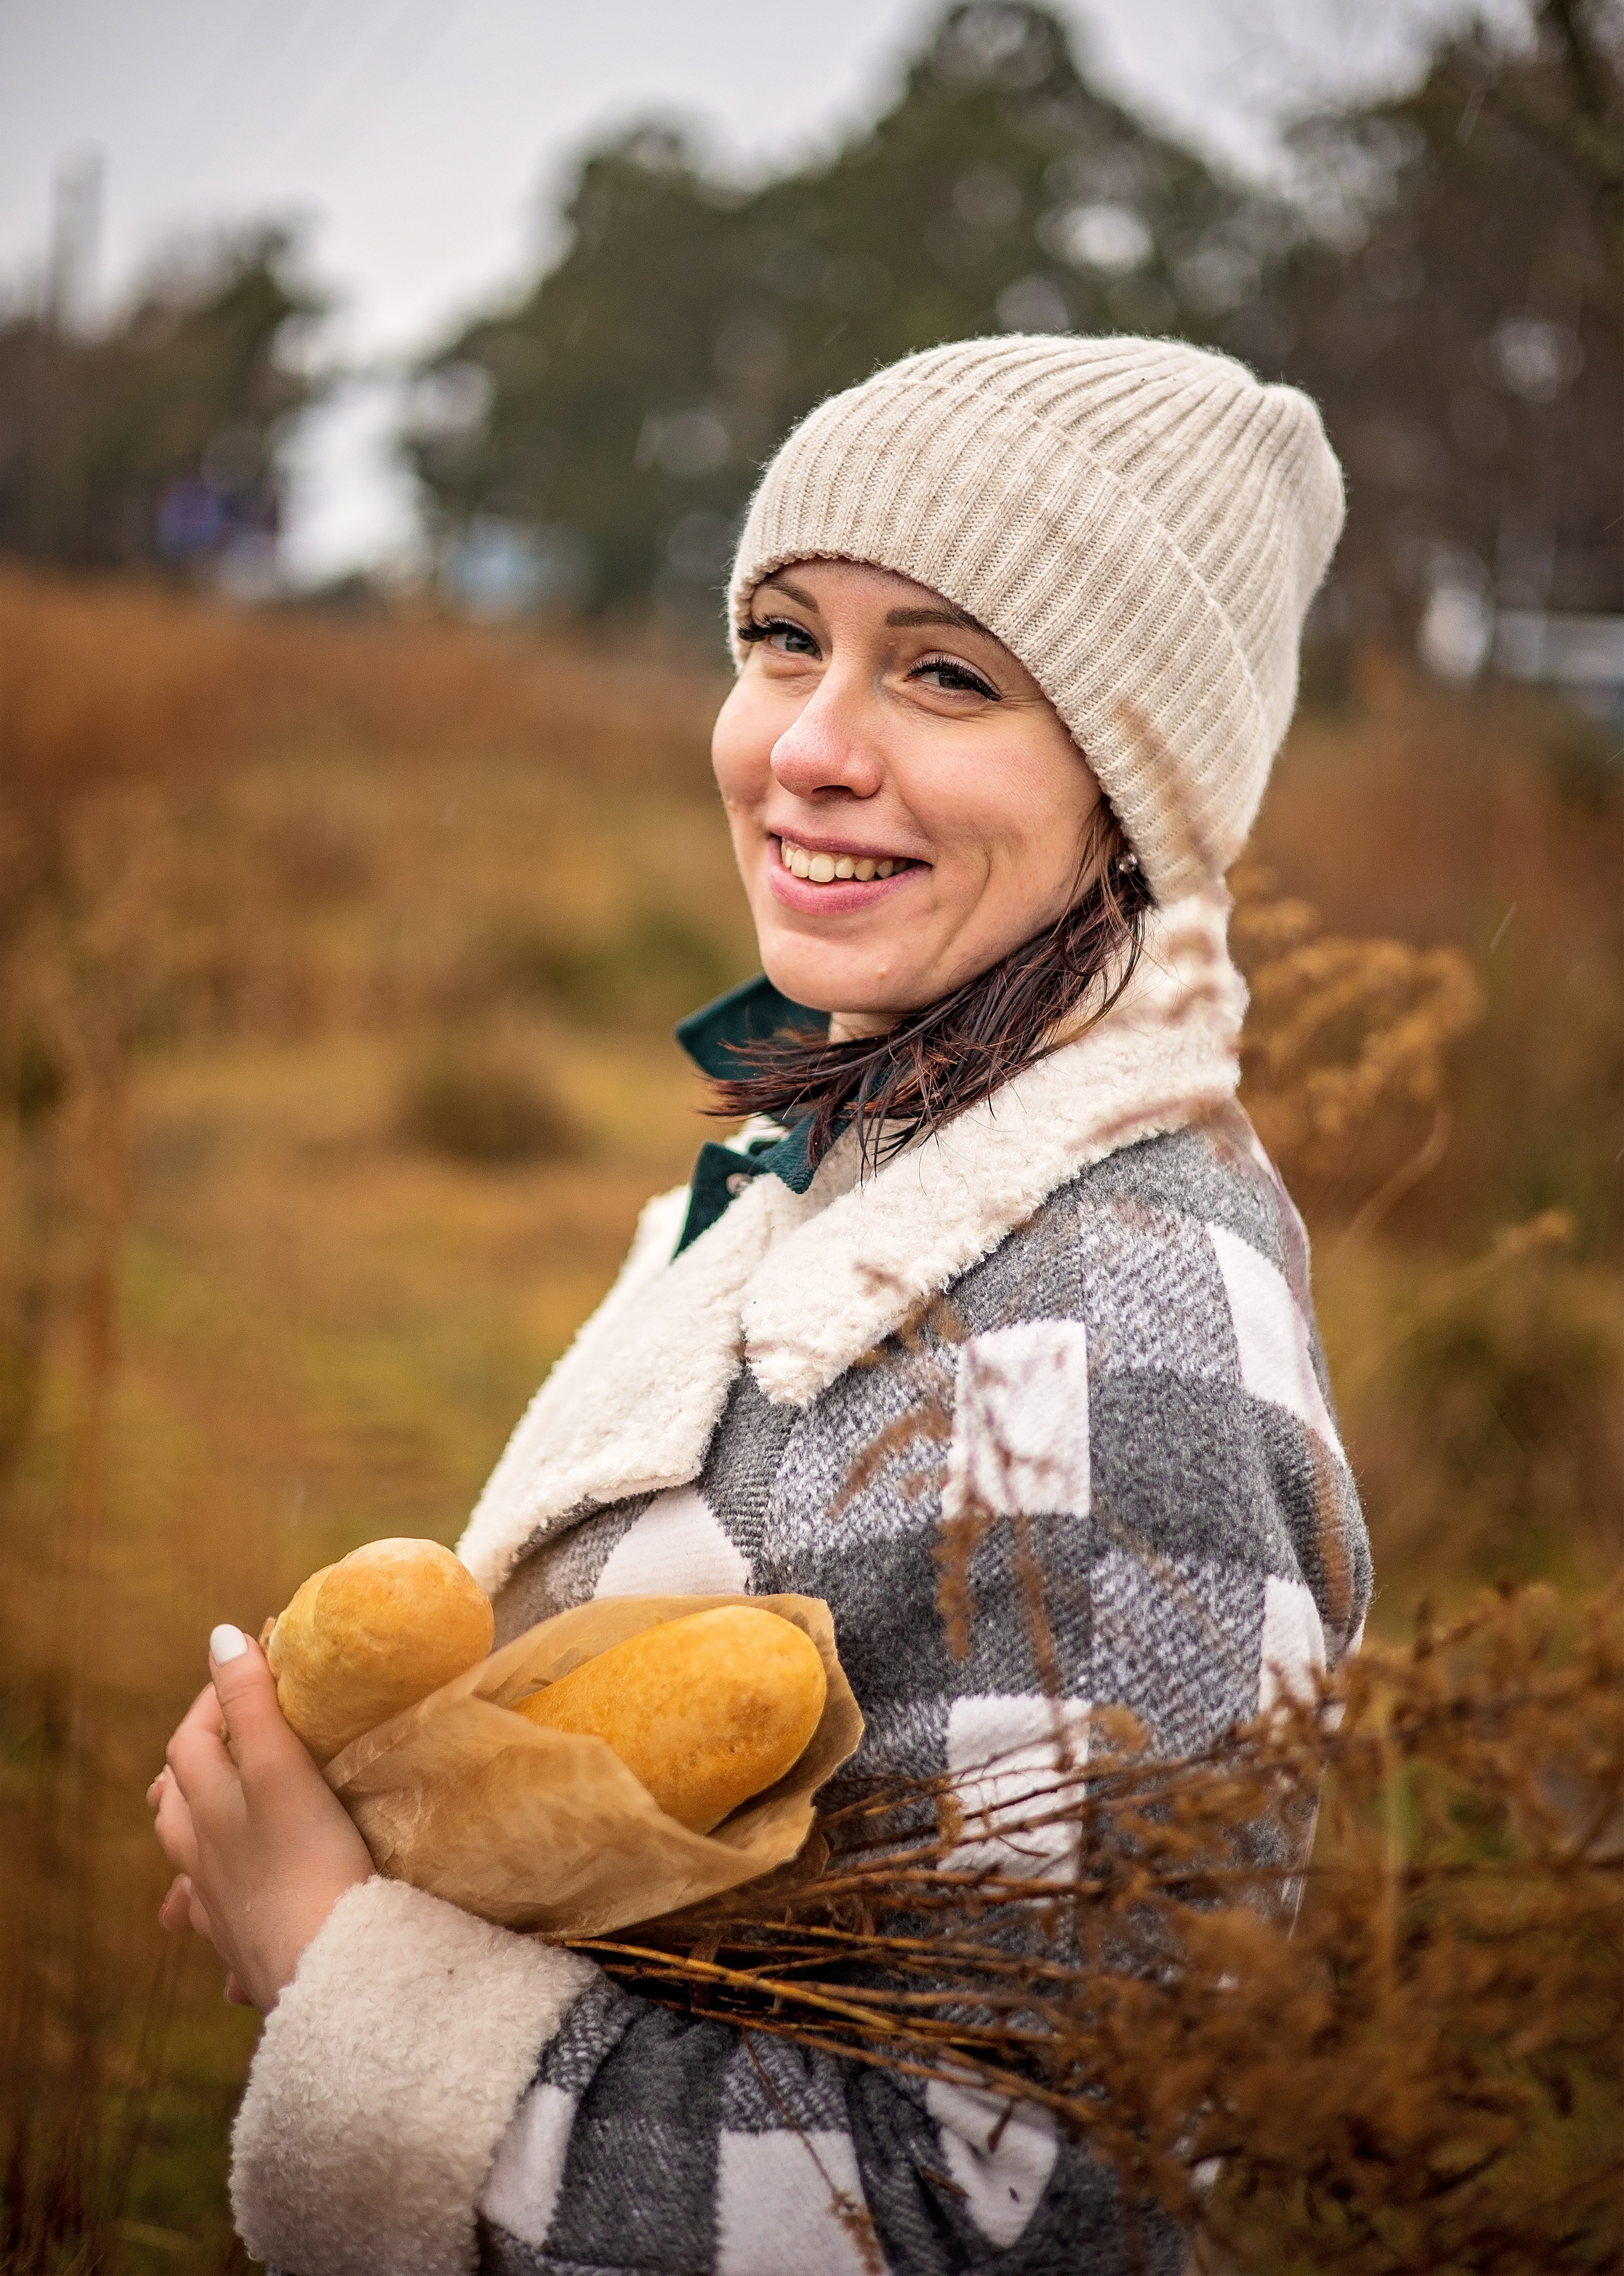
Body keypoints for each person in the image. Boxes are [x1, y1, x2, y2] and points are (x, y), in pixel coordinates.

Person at [151, 334, 1372, 2276]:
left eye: (946, 673)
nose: (806, 741)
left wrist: (334, 1964)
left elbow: (1038, 2225)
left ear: (1136, 781)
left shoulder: (1102, 1343)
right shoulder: (865, 1158)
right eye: (785, 636)